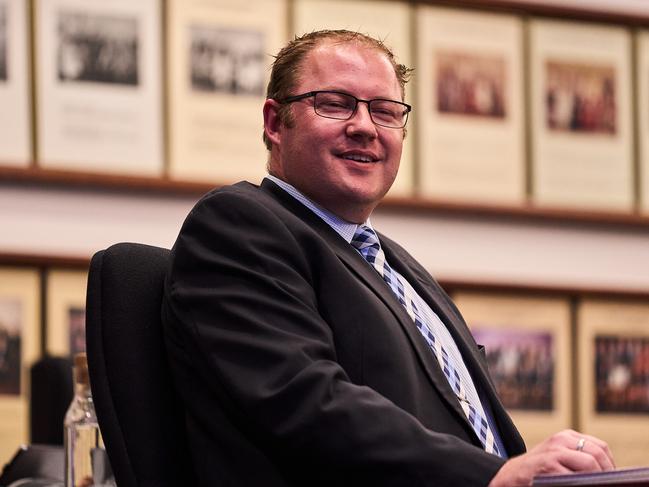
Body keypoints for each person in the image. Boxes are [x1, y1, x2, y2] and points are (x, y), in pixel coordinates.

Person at [162, 29, 614, 486]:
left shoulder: (396, 264)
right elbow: (305, 401)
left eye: (384, 111)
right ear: (275, 123)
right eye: (334, 103)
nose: (364, 126)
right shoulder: (237, 225)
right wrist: (492, 477)